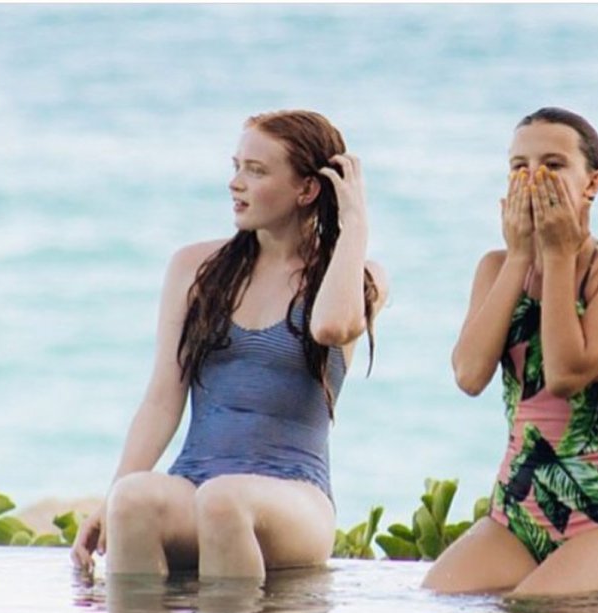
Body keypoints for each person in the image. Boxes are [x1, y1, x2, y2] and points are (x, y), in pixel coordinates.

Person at [71, 110, 388, 580]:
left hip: (295, 497)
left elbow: (334, 328)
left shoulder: (357, 278)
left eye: (256, 171)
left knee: (225, 499)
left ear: (308, 189)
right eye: (236, 165)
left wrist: (354, 225)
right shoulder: (195, 269)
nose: (236, 183)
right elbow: (161, 400)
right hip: (194, 481)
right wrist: (110, 497)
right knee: (133, 498)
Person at [423, 107, 598, 596]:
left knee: (533, 610)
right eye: (519, 166)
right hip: (514, 512)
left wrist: (557, 256)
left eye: (552, 164)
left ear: (592, 183)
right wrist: (518, 258)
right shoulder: (495, 267)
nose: (533, 178)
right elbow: (468, 375)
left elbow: (566, 372)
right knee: (439, 599)